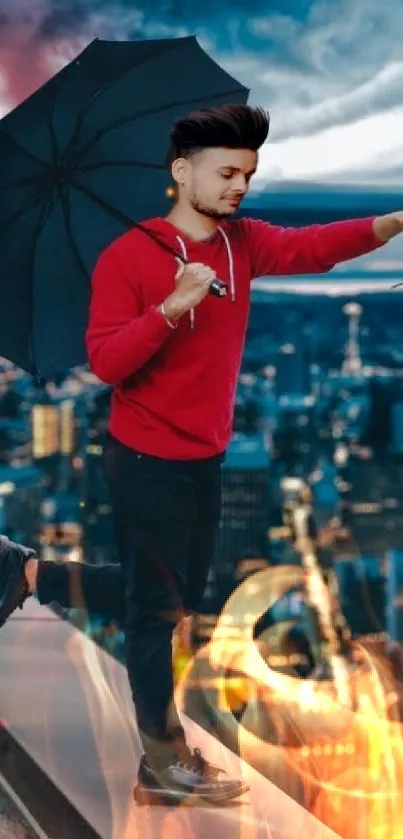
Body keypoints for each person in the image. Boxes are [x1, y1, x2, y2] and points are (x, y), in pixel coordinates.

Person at [1, 103, 402, 806]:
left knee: (174, 593)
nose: (238, 187)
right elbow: (106, 361)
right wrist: (169, 308)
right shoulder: (129, 256)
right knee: (157, 614)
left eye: (246, 174)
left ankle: (29, 571)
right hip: (144, 456)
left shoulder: (238, 245)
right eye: (225, 173)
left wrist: (393, 222)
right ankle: (162, 762)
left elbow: (315, 247)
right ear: (181, 171)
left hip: (205, 453)